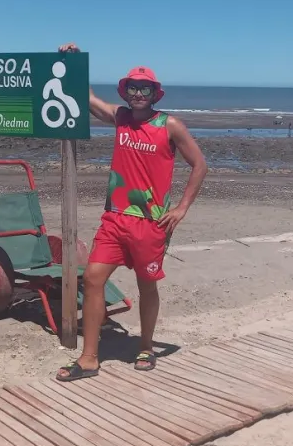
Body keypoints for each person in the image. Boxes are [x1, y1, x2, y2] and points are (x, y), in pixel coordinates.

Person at [54, 42, 208, 381]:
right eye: (133, 88)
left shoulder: (170, 126)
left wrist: (181, 209)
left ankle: (147, 345)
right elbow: (87, 98)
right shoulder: (121, 118)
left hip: (151, 223)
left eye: (145, 88)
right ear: (127, 93)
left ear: (155, 93)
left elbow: (199, 164)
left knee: (146, 284)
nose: (139, 93)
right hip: (115, 218)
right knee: (93, 279)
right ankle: (89, 358)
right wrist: (75, 62)